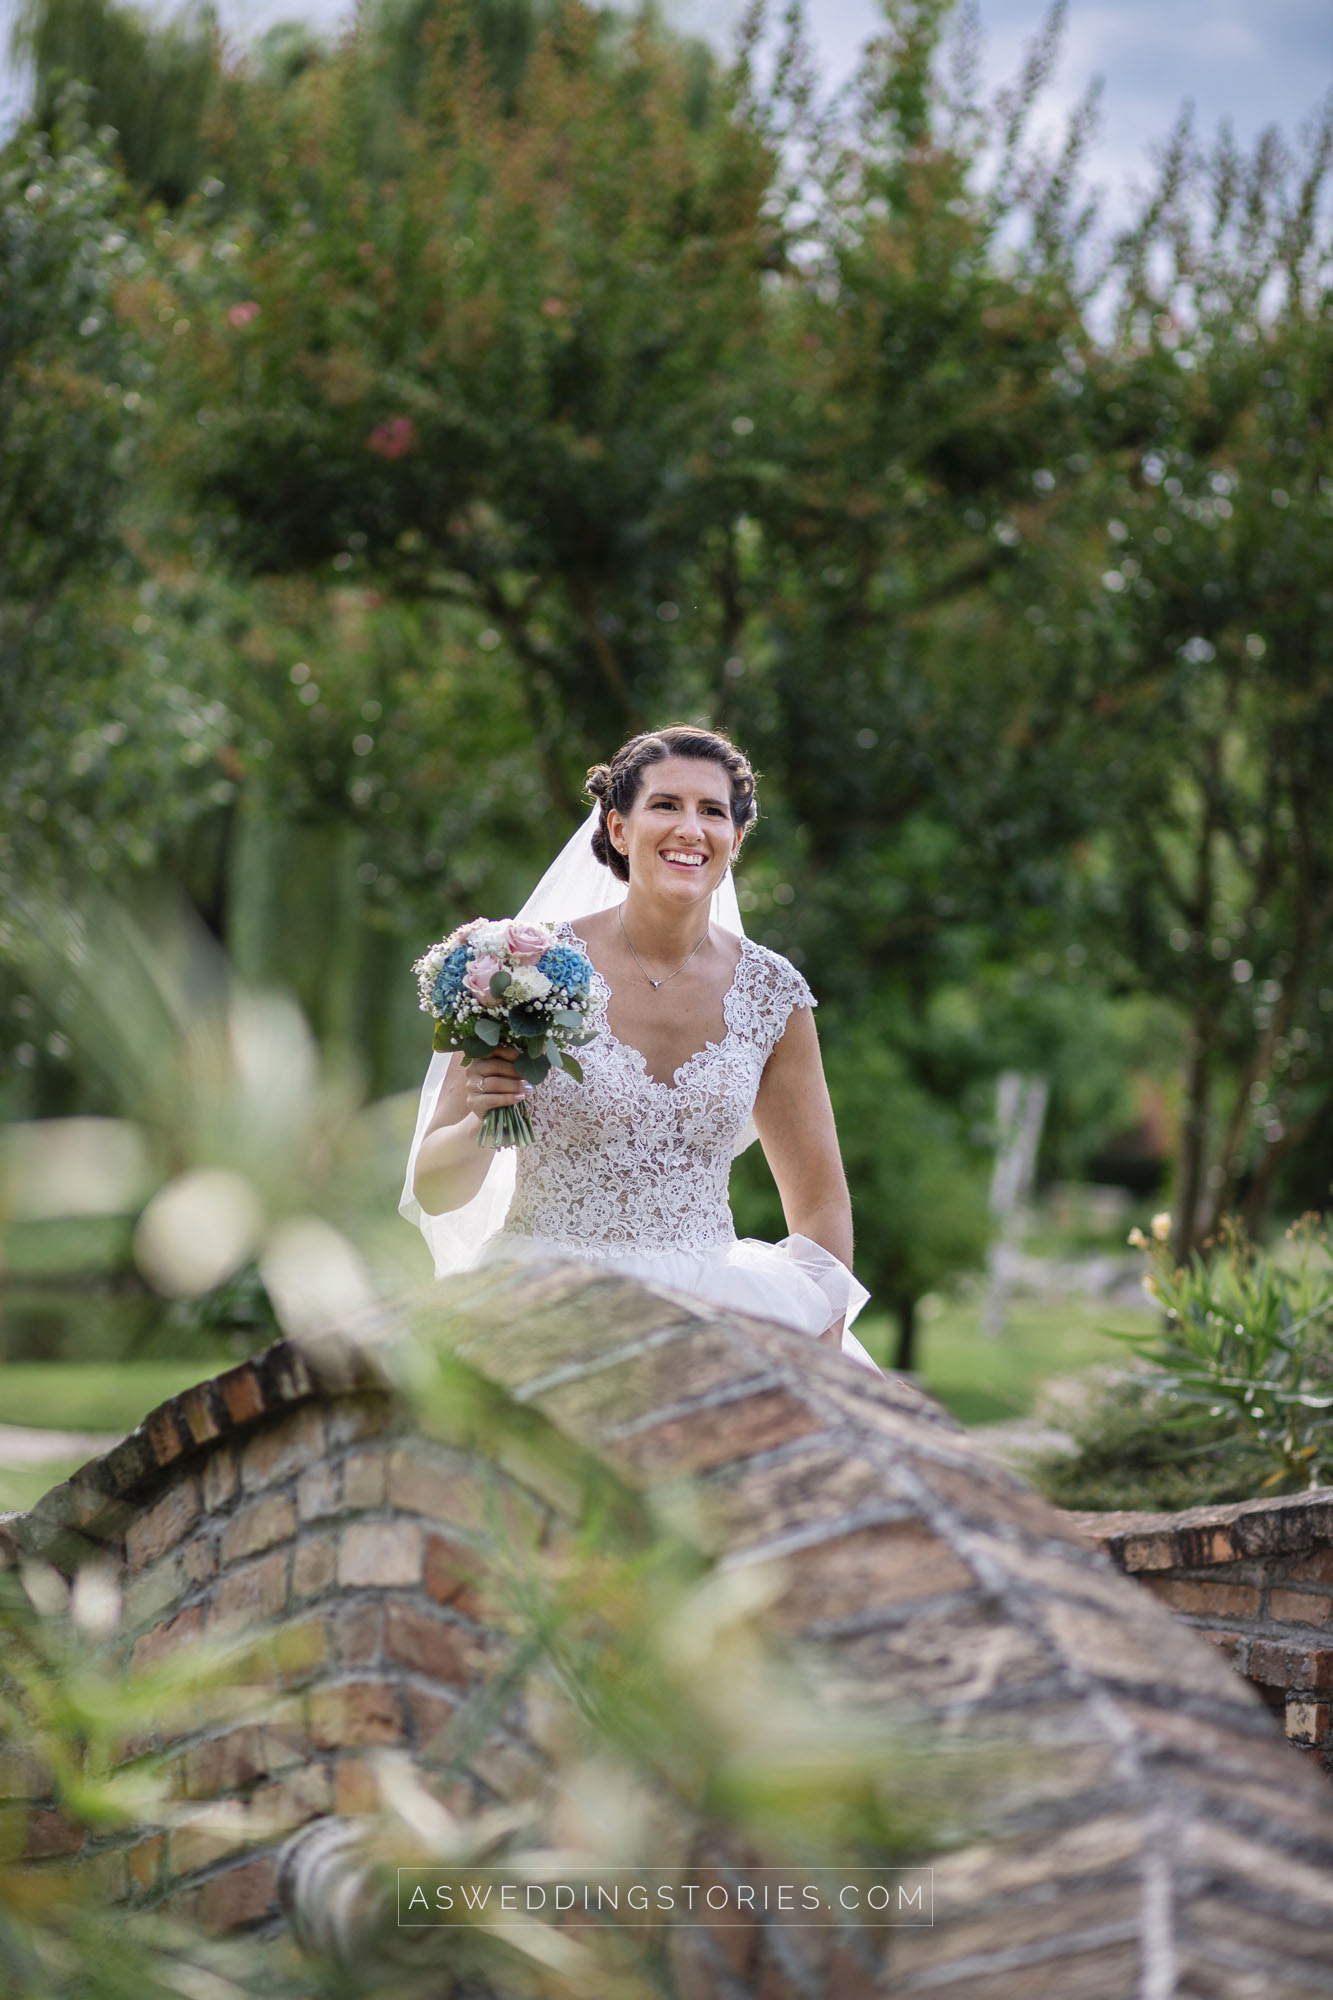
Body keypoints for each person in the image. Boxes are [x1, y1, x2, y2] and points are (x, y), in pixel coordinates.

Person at [401, 725, 879, 1373]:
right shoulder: (520, 964)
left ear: (734, 841)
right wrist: (483, 1120)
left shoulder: (773, 994)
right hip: (541, 1302)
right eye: (665, 805)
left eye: (712, 812)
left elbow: (820, 1200)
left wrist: (821, 1355)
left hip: (718, 1313)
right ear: (619, 829)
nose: (690, 828)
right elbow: (435, 1191)